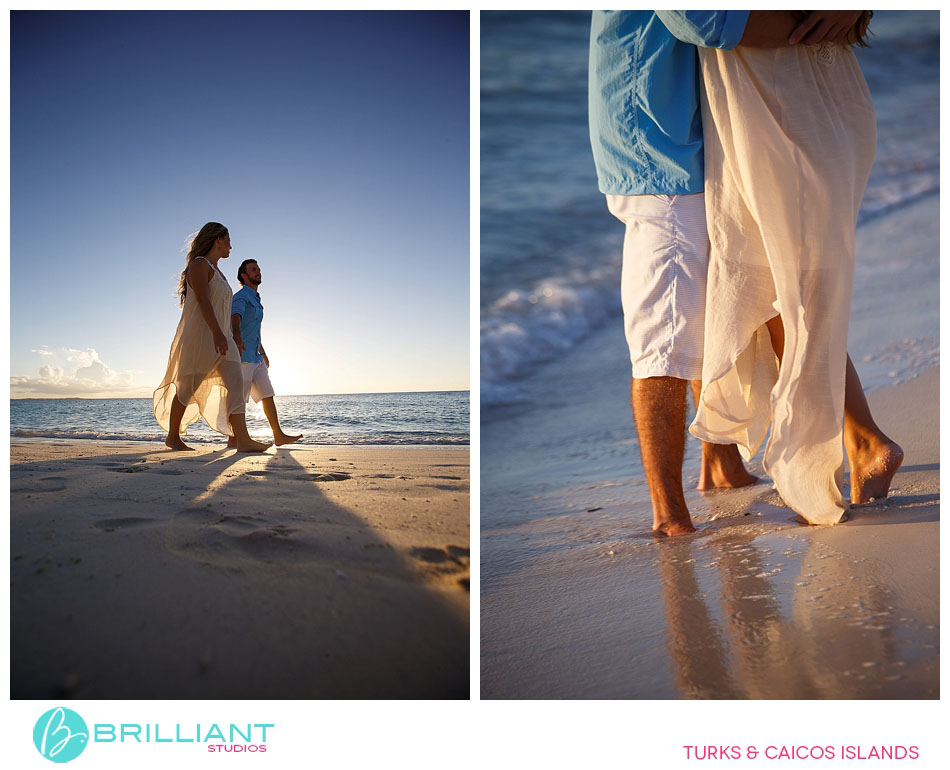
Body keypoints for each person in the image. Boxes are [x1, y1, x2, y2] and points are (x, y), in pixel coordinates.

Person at [588, 11, 900, 536]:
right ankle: (707, 480)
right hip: (675, 148)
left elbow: (707, 20)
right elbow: (707, 20)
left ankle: (682, 505)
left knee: (688, 322)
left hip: (683, 147)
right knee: (708, 310)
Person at [689, 11, 903, 526]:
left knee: (775, 284)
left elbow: (704, 21)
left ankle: (861, 440)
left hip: (778, 107)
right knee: (775, 283)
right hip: (818, 101)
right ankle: (856, 440)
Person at [153, 223, 271, 452]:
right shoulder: (199, 265)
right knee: (187, 387)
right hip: (203, 338)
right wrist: (217, 333)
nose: (230, 245)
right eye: (228, 240)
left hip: (224, 337)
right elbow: (204, 301)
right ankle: (173, 436)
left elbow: (223, 307)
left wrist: (231, 334)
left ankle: (243, 439)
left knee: (236, 383)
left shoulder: (219, 272)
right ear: (218, 239)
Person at [229, 259, 302, 447]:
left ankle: (278, 435)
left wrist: (263, 352)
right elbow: (235, 317)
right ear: (244, 276)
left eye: (259, 269)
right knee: (239, 400)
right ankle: (233, 439)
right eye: (254, 270)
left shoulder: (257, 299)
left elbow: (254, 330)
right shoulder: (241, 296)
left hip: (256, 356)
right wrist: (237, 336)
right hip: (242, 356)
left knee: (267, 394)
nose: (258, 272)